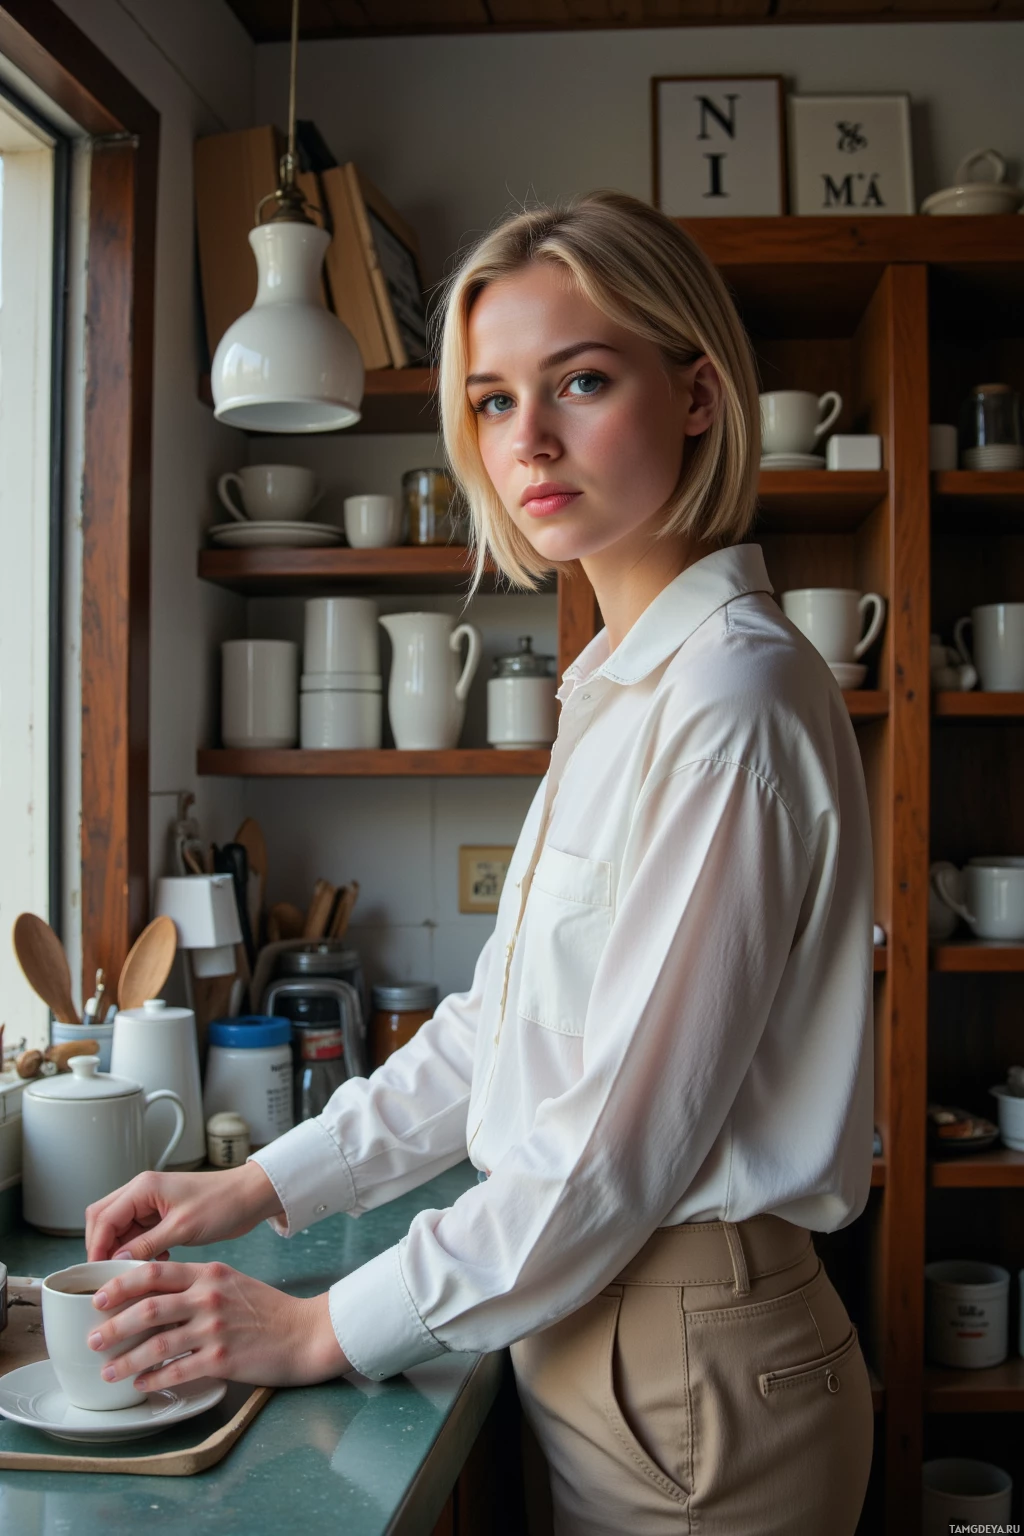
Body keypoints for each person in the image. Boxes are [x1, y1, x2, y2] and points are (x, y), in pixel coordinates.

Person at [86, 189, 875, 1534]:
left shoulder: (727, 701)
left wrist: (324, 1325)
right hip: (609, 1331)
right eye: (494, 400)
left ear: (697, 395)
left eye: (580, 380)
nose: (531, 441)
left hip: (684, 1358)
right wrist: (261, 1184)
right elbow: (498, 1032)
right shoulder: (626, 683)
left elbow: (611, 1156)